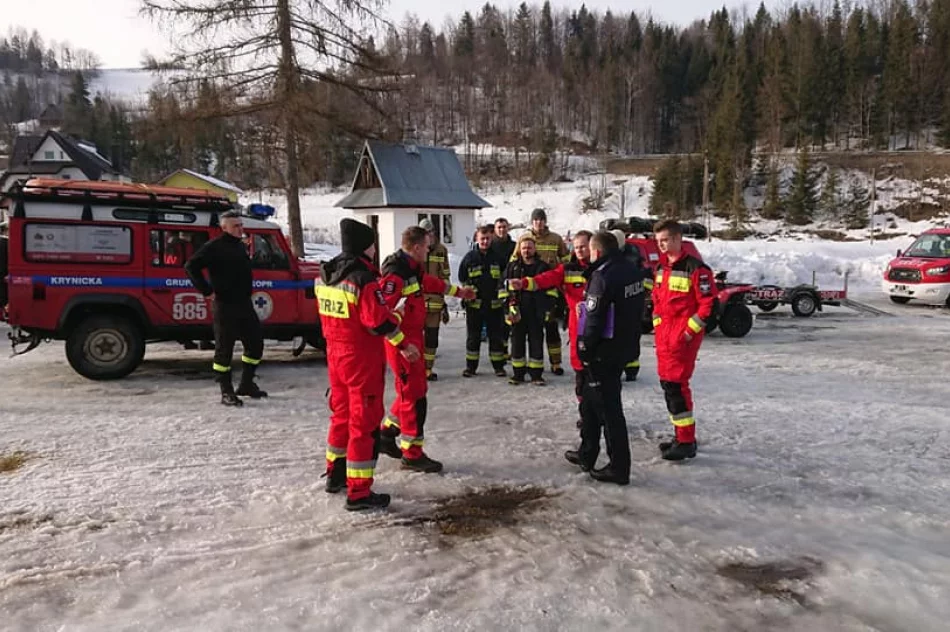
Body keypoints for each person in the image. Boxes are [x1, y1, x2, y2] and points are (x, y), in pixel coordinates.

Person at [316, 218, 419, 511]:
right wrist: (400, 329)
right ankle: (359, 492)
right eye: (373, 244)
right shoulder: (363, 278)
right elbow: (376, 322)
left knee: (341, 415)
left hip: (335, 355)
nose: (376, 249)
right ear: (366, 247)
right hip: (361, 359)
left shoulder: (327, 275)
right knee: (364, 421)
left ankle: (335, 475)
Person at [377, 226, 474, 473]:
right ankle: (412, 453)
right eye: (428, 245)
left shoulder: (411, 267)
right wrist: (402, 344)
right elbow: (382, 315)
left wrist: (457, 292)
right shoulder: (396, 273)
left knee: (416, 390)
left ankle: (387, 434)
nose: (430, 249)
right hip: (404, 343)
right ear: (418, 247)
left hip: (411, 339)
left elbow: (428, 282)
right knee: (414, 398)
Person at [567, 231, 646, 485]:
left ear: (597, 252)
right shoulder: (633, 271)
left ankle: (619, 466)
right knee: (590, 403)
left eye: (589, 250)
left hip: (603, 353)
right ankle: (587, 453)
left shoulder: (602, 276)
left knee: (610, 411)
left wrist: (584, 348)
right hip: (624, 347)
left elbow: (594, 319)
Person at [185, 211, 267, 406]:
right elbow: (190, 266)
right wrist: (206, 290)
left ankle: (246, 383)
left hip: (244, 303)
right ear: (224, 228)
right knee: (224, 350)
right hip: (225, 305)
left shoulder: (239, 245)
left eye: (241, 225)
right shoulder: (214, 246)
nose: (240, 229)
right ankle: (226, 391)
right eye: (235, 226)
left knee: (255, 344)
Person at [509, 230, 592, 422]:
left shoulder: (601, 268)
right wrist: (523, 283)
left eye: (583, 247)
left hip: (600, 329)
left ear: (593, 246)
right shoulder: (568, 269)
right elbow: (547, 278)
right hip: (577, 327)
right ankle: (586, 414)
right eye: (576, 247)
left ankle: (600, 412)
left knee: (598, 376)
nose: (579, 251)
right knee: (580, 374)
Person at [651, 219, 716, 461]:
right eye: (659, 242)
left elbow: (708, 305)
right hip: (665, 338)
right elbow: (657, 300)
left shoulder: (697, 269)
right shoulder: (660, 268)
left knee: (676, 387)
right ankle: (681, 435)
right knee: (669, 387)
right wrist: (657, 322)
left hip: (681, 340)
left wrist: (688, 332)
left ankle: (686, 441)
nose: (663, 245)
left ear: (679, 239)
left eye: (666, 240)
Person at [522, 208, 570, 375]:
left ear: (545, 221)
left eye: (541, 220)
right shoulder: (524, 238)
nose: (539, 223)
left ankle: (556, 363)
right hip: (529, 290)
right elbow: (514, 261)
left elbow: (566, 261)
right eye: (536, 220)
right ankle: (531, 362)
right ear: (532, 222)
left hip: (550, 290)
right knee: (531, 330)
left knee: (551, 328)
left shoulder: (555, 239)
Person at [458, 225, 507, 378]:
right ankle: (471, 367)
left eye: (487, 239)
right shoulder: (469, 258)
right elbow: (462, 278)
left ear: (491, 238)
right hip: (475, 306)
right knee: (473, 337)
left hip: (494, 306)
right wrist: (468, 292)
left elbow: (504, 279)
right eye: (482, 239)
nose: (485, 241)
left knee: (496, 338)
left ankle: (499, 367)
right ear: (476, 239)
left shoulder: (498, 258)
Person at [503, 235, 552, 385]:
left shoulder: (542, 267)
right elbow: (503, 289)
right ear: (519, 249)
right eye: (523, 248)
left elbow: (551, 291)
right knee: (517, 343)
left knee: (536, 342)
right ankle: (518, 374)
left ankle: (536, 375)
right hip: (517, 312)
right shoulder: (512, 267)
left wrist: (548, 309)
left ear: (535, 248)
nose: (526, 251)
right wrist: (508, 309)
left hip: (536, 311)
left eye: (529, 247)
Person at [611, 228, 646, 382]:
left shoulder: (633, 254)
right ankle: (619, 366)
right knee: (617, 336)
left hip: (632, 300)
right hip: (618, 301)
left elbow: (645, 274)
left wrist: (641, 292)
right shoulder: (611, 254)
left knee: (632, 335)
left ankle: (632, 368)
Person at [419, 218, 452, 381]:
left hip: (435, 303)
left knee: (432, 339)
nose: (428, 236)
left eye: (430, 233)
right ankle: (416, 369)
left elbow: (445, 277)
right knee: (416, 338)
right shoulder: (415, 249)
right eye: (425, 233)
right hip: (417, 303)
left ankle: (427, 370)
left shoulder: (441, 251)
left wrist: (444, 303)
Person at [491, 217, 516, 361]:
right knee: (496, 321)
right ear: (495, 230)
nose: (502, 230)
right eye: (499, 227)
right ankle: (498, 349)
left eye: (504, 227)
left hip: (510, 286)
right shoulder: (490, 245)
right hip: (493, 287)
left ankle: (506, 349)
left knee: (509, 319)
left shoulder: (514, 245)